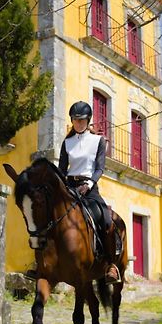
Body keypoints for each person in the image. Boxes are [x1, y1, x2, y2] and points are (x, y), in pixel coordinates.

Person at [58, 100, 120, 284]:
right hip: (69, 186)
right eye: (75, 120)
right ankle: (42, 261)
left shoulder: (98, 141)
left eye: (81, 120)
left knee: (106, 219)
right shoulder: (67, 143)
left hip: (89, 187)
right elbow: (62, 169)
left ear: (88, 120)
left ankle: (111, 264)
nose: (78, 123)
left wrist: (89, 184)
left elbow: (100, 168)